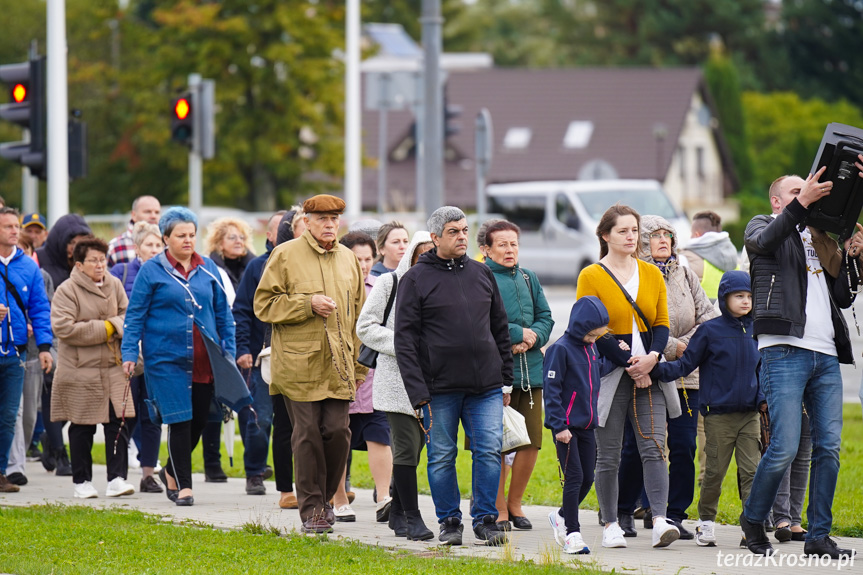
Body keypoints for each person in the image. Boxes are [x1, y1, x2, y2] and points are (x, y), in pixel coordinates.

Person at [739, 165, 858, 559]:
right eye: (796, 190)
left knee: (829, 448)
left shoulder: (820, 237)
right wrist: (800, 206)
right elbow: (764, 243)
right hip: (783, 349)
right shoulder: (763, 224)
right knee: (785, 446)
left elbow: (843, 295)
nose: (805, 193)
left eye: (807, 190)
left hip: (825, 354)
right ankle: (754, 520)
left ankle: (818, 536)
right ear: (778, 200)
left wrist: (855, 255)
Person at [395, 206, 513, 547]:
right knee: (442, 456)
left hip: (486, 387)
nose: (462, 237)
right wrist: (418, 393)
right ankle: (449, 522)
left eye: (464, 230)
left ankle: (486, 520)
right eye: (453, 232)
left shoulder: (481, 273)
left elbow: (499, 327)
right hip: (438, 389)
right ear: (435, 238)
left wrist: (505, 377)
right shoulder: (415, 279)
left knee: (489, 451)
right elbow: (405, 340)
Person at [121, 207, 252, 507]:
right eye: (181, 235)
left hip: (205, 359)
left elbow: (224, 316)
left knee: (199, 421)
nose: (187, 240)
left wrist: (227, 355)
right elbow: (135, 315)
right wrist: (129, 352)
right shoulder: (150, 271)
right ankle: (184, 486)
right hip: (165, 359)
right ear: (165, 237)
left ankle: (170, 469)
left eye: (192, 235)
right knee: (179, 420)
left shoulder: (208, 269)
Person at [254, 194, 368, 535]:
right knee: (306, 436)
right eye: (322, 219)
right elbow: (263, 304)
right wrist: (307, 304)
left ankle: (326, 500)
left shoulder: (348, 259)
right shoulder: (284, 254)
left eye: (334, 219)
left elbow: (360, 316)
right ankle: (312, 510)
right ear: (306, 221)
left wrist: (360, 366)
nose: (330, 225)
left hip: (340, 364)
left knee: (337, 432)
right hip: (297, 366)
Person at [575, 203, 681, 549]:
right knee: (608, 454)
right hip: (609, 372)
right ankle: (609, 524)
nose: (630, 237)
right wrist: (629, 363)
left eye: (634, 230)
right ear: (605, 235)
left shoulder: (651, 273)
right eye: (622, 231)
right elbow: (592, 327)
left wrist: (651, 359)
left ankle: (661, 520)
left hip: (650, 371)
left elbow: (662, 324)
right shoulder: (591, 275)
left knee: (654, 447)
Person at [616, 215, 718, 538]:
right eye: (655, 235)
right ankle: (626, 509)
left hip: (688, 375)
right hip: (647, 373)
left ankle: (674, 514)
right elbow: (636, 326)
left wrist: (690, 346)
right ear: (643, 243)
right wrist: (675, 346)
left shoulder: (685, 274)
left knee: (685, 444)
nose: (663, 240)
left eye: (668, 235)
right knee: (642, 445)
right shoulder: (635, 276)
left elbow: (711, 318)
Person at [652, 271, 765, 548]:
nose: (745, 301)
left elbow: (765, 370)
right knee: (714, 472)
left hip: (750, 416)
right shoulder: (710, 331)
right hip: (718, 417)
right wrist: (655, 370)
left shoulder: (758, 331)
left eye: (749, 296)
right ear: (724, 298)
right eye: (739, 296)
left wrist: (762, 398)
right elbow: (685, 364)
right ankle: (706, 522)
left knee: (751, 472)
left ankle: (750, 526)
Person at [357, 230, 435, 541]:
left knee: (415, 450)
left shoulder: (441, 286)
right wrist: (403, 344)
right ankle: (412, 517)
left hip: (432, 382)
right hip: (395, 380)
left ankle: (398, 512)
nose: (427, 258)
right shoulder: (390, 283)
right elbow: (365, 326)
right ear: (412, 255)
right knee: (404, 448)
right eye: (422, 252)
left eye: (433, 252)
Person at [479, 220, 554, 531]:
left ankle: (515, 502)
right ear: (486, 249)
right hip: (493, 374)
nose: (510, 250)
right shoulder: (479, 277)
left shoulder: (528, 277)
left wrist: (533, 336)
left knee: (531, 442)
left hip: (531, 374)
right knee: (494, 443)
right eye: (502, 245)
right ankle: (497, 508)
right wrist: (514, 334)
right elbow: (478, 320)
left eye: (514, 244)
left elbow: (546, 317)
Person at [50, 238, 136, 499]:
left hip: (113, 367)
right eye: (93, 261)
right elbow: (64, 329)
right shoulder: (66, 290)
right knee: (82, 425)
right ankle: (82, 481)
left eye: (102, 260)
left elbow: (128, 316)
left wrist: (112, 324)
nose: (100, 265)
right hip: (80, 370)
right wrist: (108, 327)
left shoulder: (115, 284)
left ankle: (117, 478)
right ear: (79, 264)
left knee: (120, 422)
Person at [330, 231, 394, 523]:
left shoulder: (379, 286)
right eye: (358, 259)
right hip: (339, 376)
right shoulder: (333, 287)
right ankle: (339, 498)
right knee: (339, 439)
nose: (365, 265)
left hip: (374, 377)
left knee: (380, 435)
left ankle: (384, 498)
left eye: (369, 259)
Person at [544, 296, 609, 555]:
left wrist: (619, 357)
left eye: (597, 336)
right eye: (591, 334)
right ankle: (572, 533)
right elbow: (552, 390)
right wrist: (559, 426)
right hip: (566, 428)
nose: (594, 339)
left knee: (588, 478)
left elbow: (594, 373)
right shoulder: (560, 349)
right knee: (574, 478)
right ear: (580, 326)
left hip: (588, 426)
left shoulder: (590, 348)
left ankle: (560, 516)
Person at [233, 211, 286, 498]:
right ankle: (254, 472)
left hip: (295, 357)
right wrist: (243, 349)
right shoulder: (257, 267)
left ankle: (288, 476)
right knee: (260, 417)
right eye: (283, 229)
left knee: (289, 423)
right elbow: (241, 310)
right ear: (269, 235)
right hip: (261, 355)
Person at [0, 207, 54, 492]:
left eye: (15, 226)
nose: (14, 231)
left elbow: (40, 309)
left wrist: (45, 347)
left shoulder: (29, 267)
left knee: (11, 415)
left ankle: (1, 473)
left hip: (18, 352)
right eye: (7, 226)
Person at [35, 213, 92, 476]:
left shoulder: (86, 264)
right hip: (53, 337)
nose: (76, 247)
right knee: (52, 392)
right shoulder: (41, 260)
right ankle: (60, 452)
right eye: (72, 242)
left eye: (82, 241)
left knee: (79, 395)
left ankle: (50, 437)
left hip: (82, 337)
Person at [110, 222, 164, 494]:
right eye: (149, 245)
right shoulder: (121, 272)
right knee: (126, 414)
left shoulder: (168, 273)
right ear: (137, 248)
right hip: (129, 353)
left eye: (158, 245)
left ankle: (148, 474)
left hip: (156, 355)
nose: (155, 250)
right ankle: (118, 474)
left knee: (152, 416)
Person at [201, 216, 256, 483]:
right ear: (219, 242)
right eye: (232, 237)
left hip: (244, 343)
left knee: (245, 403)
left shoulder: (254, 267)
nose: (239, 242)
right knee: (213, 404)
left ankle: (253, 464)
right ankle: (212, 462)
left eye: (242, 237)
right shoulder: (210, 268)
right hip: (218, 341)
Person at [678, 211, 739, 302]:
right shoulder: (736, 259)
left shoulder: (685, 259)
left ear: (697, 234)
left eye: (691, 233)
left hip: (703, 314)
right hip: (731, 314)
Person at [107, 195, 162, 267]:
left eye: (157, 212)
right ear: (134, 215)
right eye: (147, 212)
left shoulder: (168, 244)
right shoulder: (114, 246)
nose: (153, 216)